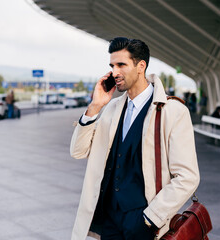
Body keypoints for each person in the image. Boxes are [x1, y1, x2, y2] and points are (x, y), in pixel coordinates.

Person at [70, 37, 199, 240]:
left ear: (141, 66)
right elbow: (78, 151)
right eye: (112, 65)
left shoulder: (172, 111)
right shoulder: (111, 109)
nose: (115, 72)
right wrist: (95, 106)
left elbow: (188, 176)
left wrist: (150, 218)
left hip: (144, 222)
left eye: (121, 64)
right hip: (110, 220)